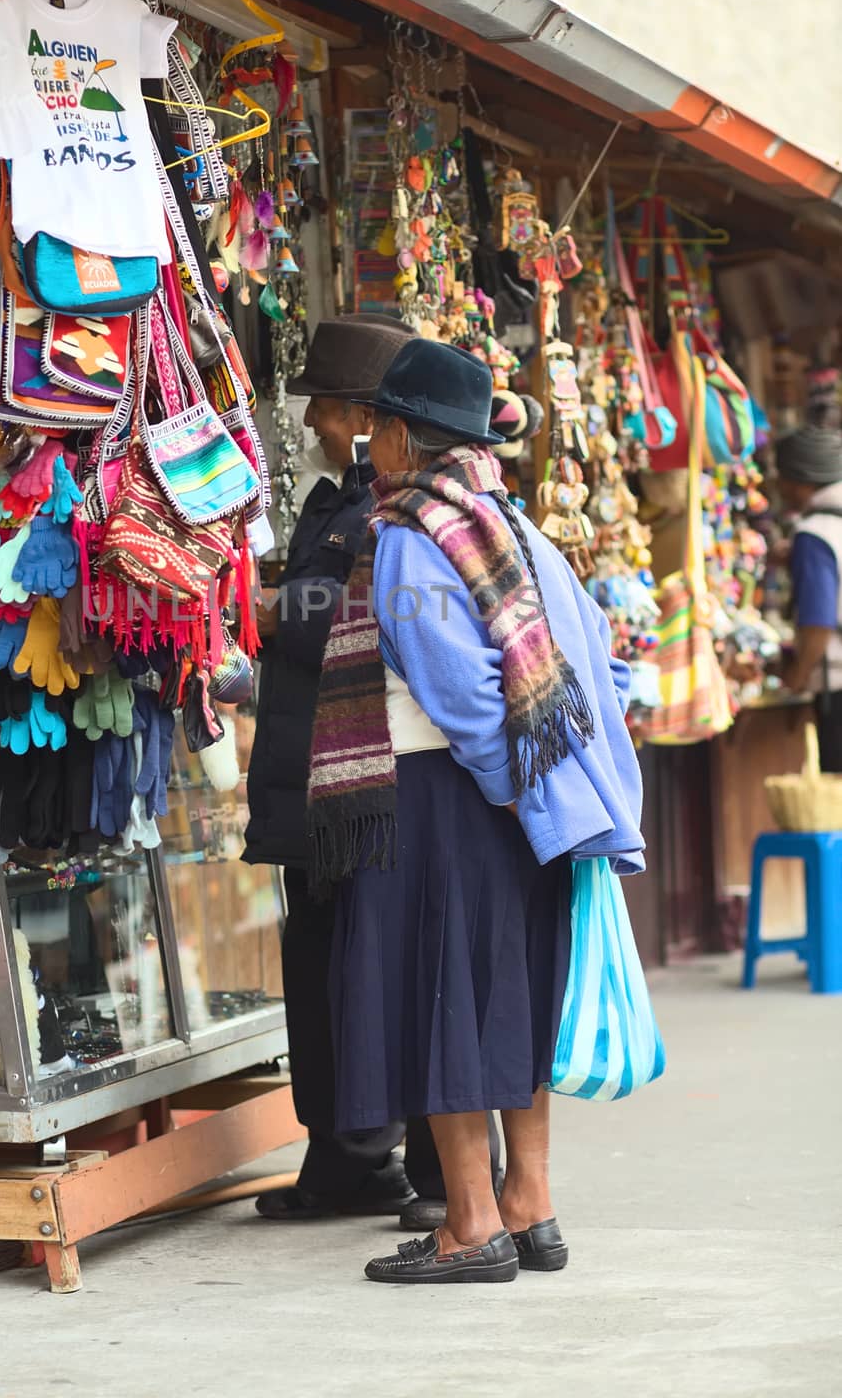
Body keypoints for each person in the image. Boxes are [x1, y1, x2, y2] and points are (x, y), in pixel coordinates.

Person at [307, 339, 645, 1283]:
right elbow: (600, 660)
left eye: (376, 425)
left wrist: (501, 788)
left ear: (407, 438)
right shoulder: (511, 526)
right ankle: (530, 1206)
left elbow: (456, 692)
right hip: (525, 809)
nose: (366, 441)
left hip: (444, 801)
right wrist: (540, 797)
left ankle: (469, 1224)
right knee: (510, 1001)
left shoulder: (412, 533)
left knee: (438, 1000)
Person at [245, 315, 500, 1228]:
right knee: (335, 975)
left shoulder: (393, 514)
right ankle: (358, 1162)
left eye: (323, 400)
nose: (309, 416)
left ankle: (432, 1179)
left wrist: (267, 610)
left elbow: (359, 620)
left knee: (386, 973)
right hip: (325, 780)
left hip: (356, 785)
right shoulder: (357, 500)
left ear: (367, 419)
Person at [777, 426, 842, 769]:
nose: (779, 487)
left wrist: (798, 676)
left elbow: (818, 622)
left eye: (782, 476)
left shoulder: (814, 534)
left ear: (802, 478)